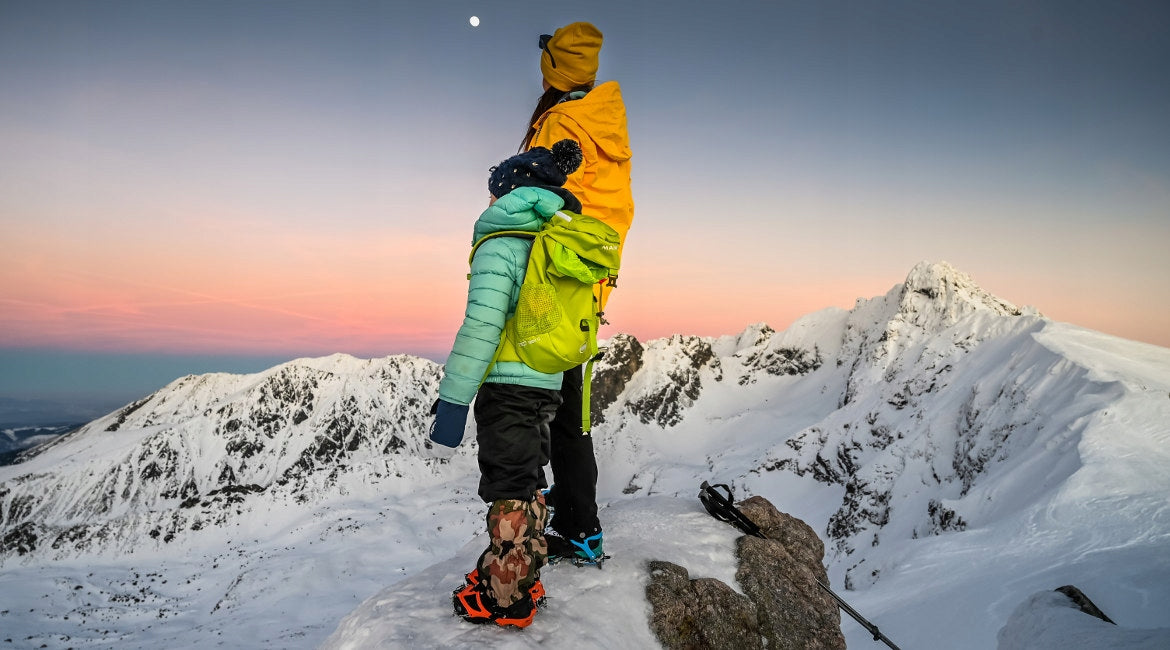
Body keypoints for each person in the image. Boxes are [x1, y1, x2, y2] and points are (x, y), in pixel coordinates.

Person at [429, 140, 585, 628]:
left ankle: (506, 598)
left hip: (507, 388)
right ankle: (522, 571)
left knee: (509, 490)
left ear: (509, 195)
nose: (490, 203)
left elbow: (482, 327)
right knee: (528, 480)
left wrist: (453, 402)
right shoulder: (558, 244)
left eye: (494, 195)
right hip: (548, 385)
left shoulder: (502, 245)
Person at [522, 22, 634, 562]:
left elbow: (535, 202)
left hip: (554, 279)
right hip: (591, 280)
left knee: (548, 402)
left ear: (554, 72)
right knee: (573, 403)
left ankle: (576, 524)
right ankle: (574, 509)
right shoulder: (603, 123)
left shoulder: (560, 124)